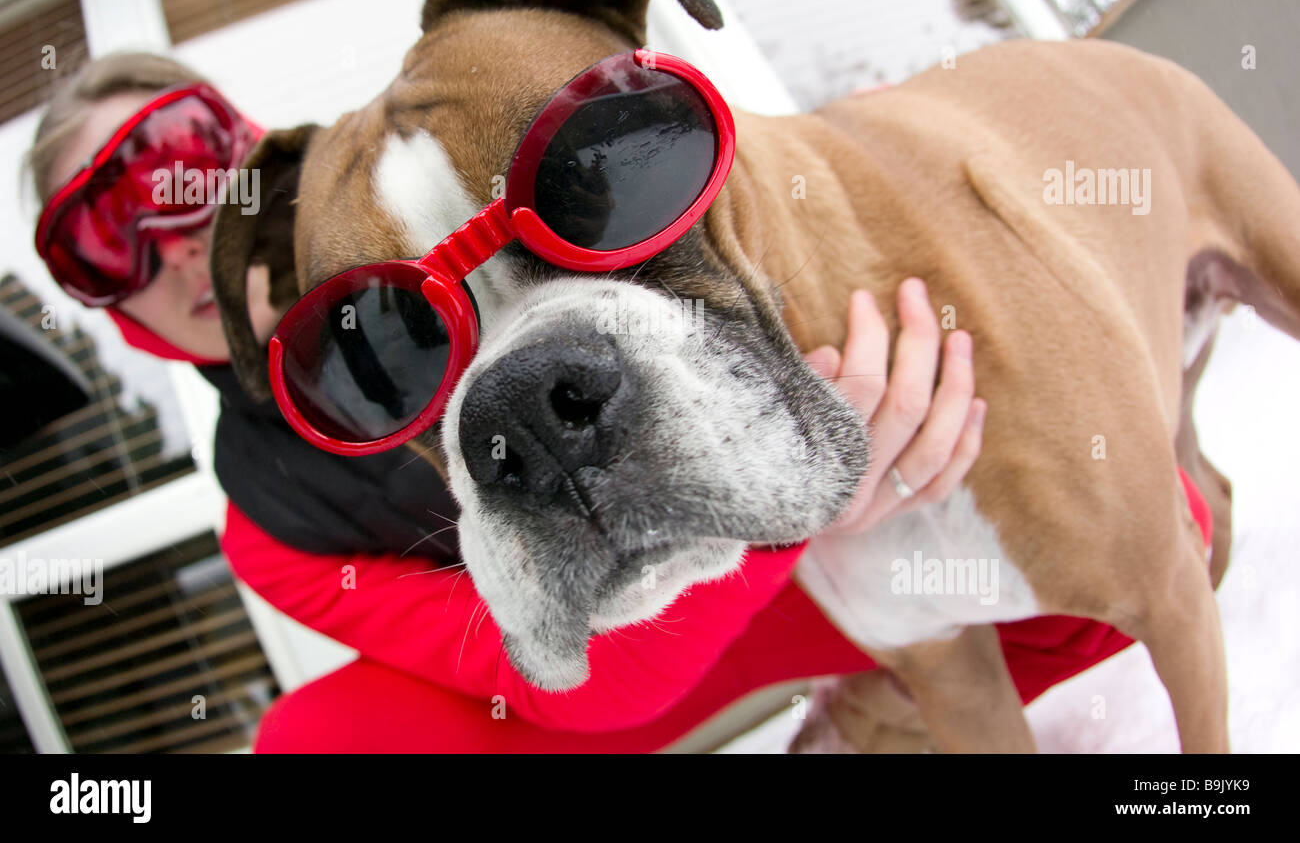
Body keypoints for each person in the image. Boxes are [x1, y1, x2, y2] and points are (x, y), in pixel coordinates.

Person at [28, 52, 1208, 752]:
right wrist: (808, 489)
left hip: (837, 560)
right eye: (104, 241)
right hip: (637, 668)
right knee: (306, 746)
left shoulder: (480, 209)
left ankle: (891, 683)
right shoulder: (268, 517)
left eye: (171, 164)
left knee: (1141, 534)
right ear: (109, 313)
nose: (172, 243)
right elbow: (586, 679)